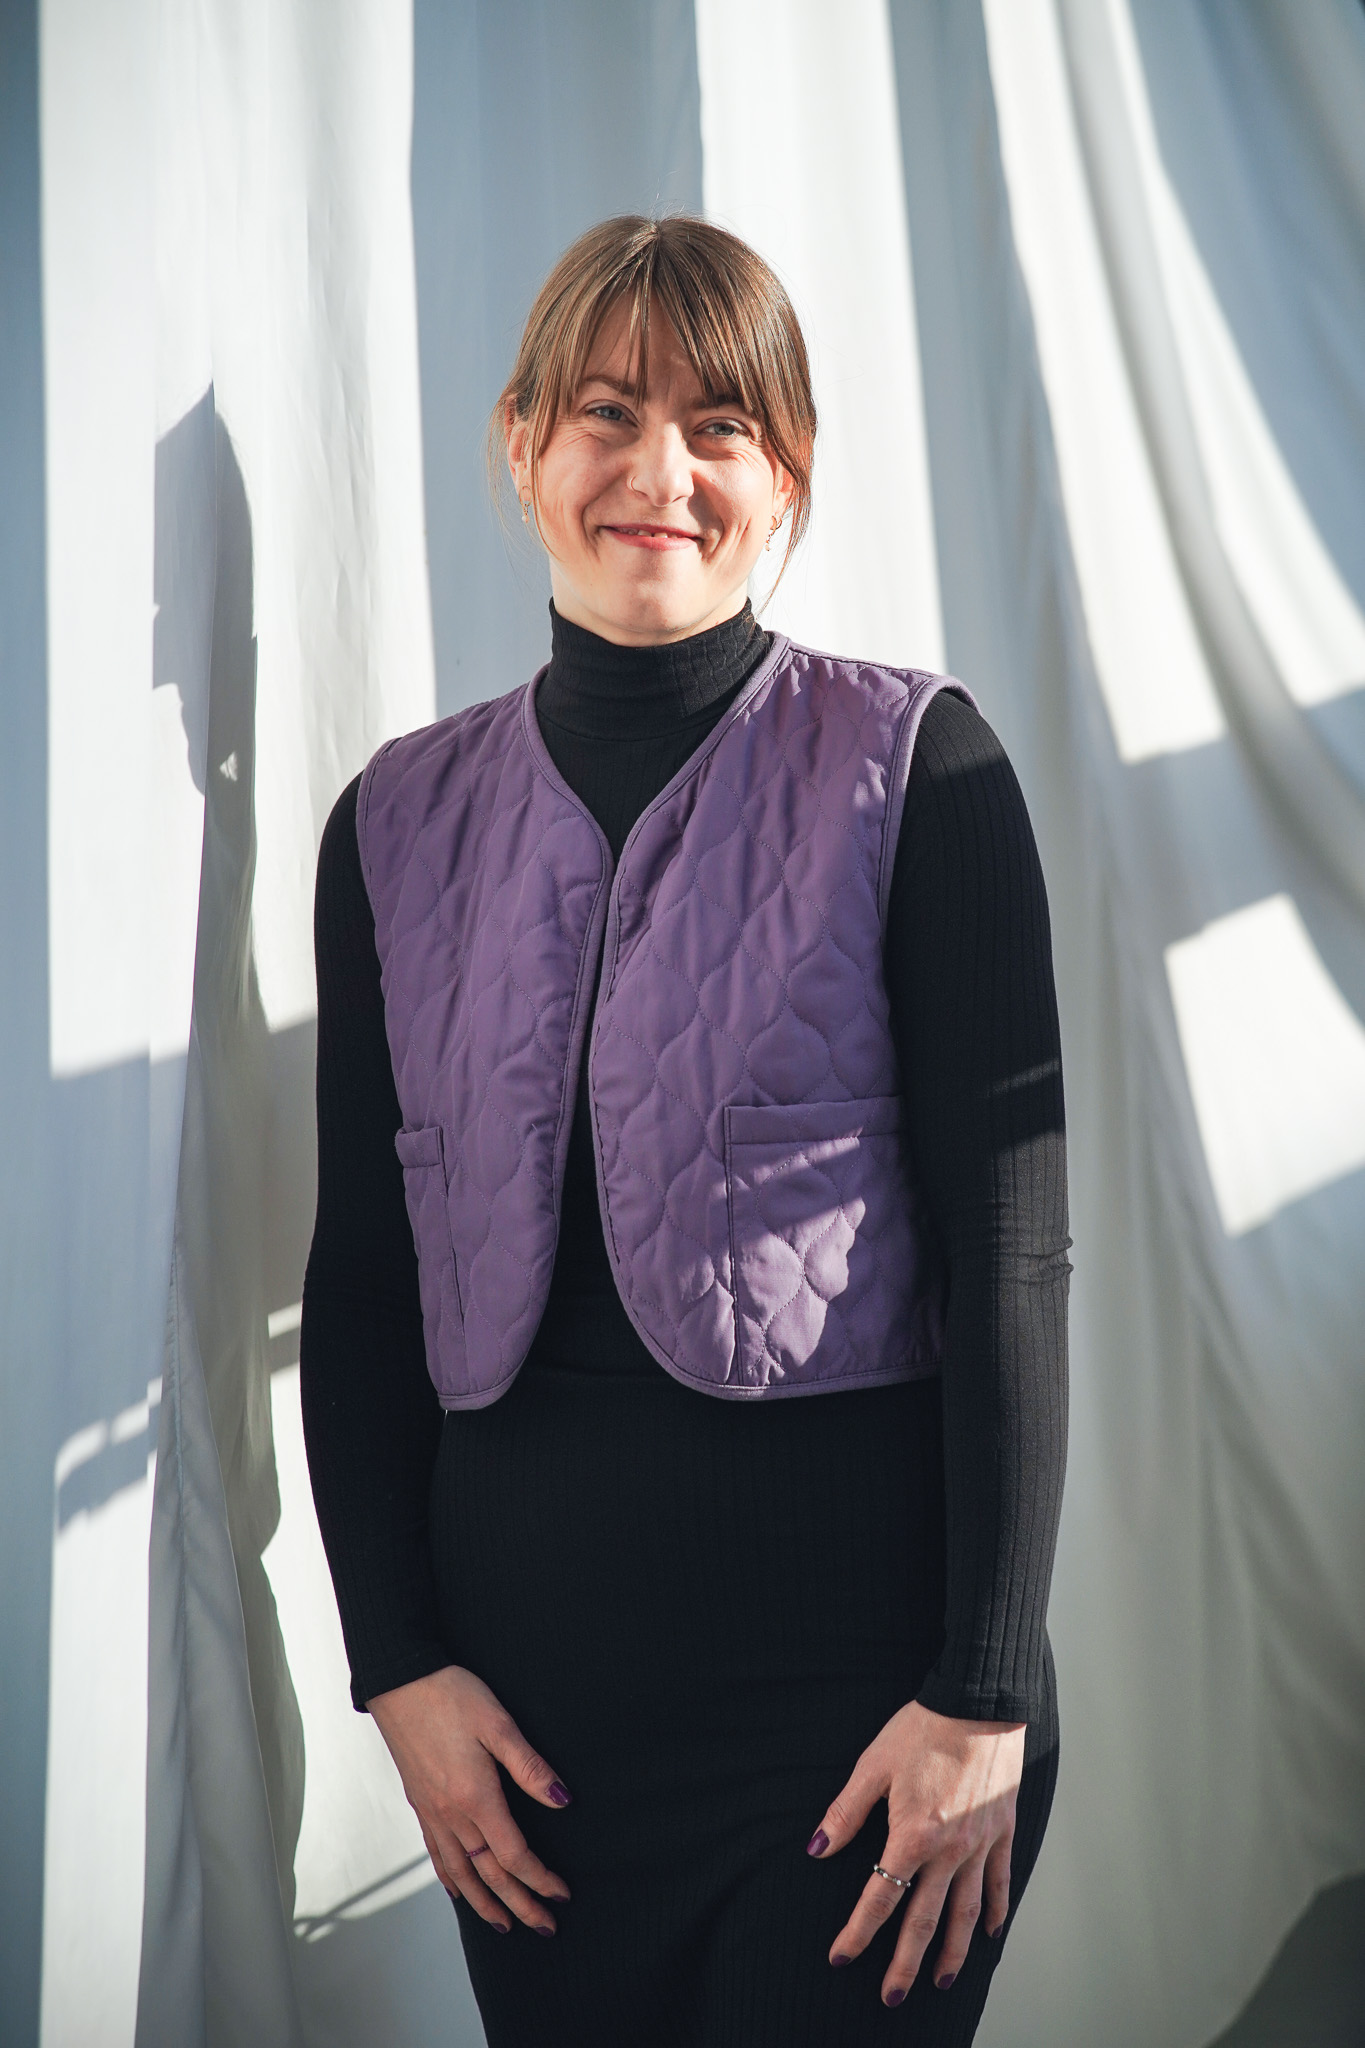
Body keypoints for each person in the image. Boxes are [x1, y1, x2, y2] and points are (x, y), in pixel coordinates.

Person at [300, 213, 1069, 2047]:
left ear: (784, 473)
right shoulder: (391, 823)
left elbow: (1013, 1255)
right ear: (519, 446)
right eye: (606, 413)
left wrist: (979, 1693)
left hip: (868, 1726)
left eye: (720, 426)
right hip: (530, 1750)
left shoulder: (920, 767)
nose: (660, 472)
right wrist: (396, 1667)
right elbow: (364, 1279)